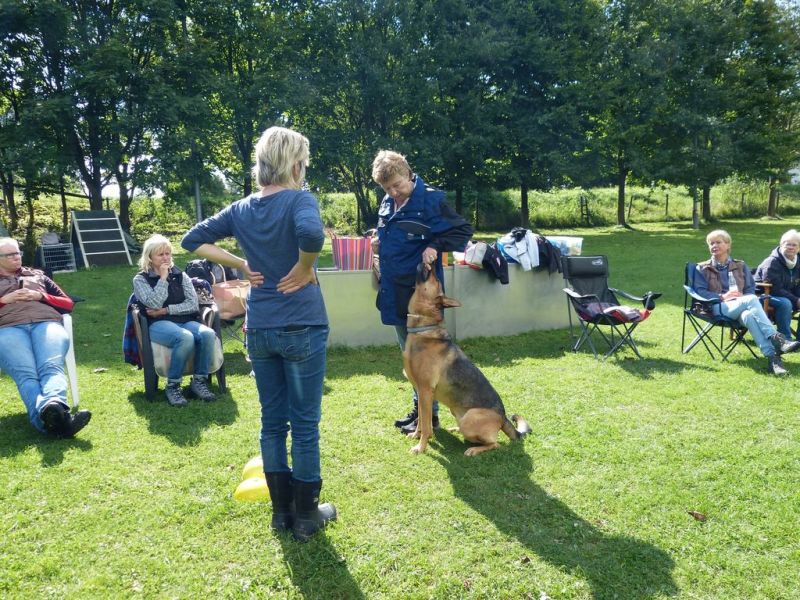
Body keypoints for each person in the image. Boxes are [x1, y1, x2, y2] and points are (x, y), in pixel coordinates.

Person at [181, 126, 335, 542]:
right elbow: (311, 234)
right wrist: (304, 267)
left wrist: (240, 263)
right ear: (294, 164)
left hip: (261, 327)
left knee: (272, 422)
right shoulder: (300, 199)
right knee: (305, 425)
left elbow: (192, 240)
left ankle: (281, 513)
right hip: (302, 325)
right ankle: (307, 516)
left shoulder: (241, 208)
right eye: (303, 162)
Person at [371, 150, 473, 433]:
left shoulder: (431, 200)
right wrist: (379, 241)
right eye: (387, 189)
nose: (394, 193)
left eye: (397, 185)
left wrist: (434, 245)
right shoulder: (388, 203)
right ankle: (421, 412)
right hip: (393, 291)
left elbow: (462, 231)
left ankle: (431, 417)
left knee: (424, 359)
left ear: (408, 173)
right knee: (409, 358)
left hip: (420, 295)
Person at [0, 237, 91, 437]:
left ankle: (51, 416)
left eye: (18, 252)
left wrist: (41, 296)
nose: (17, 257)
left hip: (46, 324)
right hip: (8, 328)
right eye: (10, 254)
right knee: (27, 373)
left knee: (50, 366)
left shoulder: (38, 275)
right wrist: (4, 300)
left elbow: (68, 304)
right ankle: (59, 420)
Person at [694, 229, 800, 375]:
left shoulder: (740, 265)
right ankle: (777, 338)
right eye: (711, 243)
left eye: (718, 242)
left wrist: (742, 297)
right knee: (751, 299)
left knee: (749, 316)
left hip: (740, 306)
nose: (714, 245)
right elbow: (699, 292)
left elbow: (750, 289)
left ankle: (773, 359)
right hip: (715, 307)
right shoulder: (702, 267)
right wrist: (723, 296)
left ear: (728, 245)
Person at [132, 235, 217, 407]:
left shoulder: (181, 275)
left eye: (168, 253)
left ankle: (199, 382)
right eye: (160, 254)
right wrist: (163, 279)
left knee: (208, 334)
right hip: (157, 324)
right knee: (184, 337)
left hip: (183, 319)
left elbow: (192, 304)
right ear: (150, 257)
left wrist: (166, 310)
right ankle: (173, 386)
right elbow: (153, 303)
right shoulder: (140, 279)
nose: (165, 258)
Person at [754, 229, 800, 340]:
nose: (791, 247)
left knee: (787, 301)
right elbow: (775, 289)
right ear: (781, 245)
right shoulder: (772, 262)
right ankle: (785, 340)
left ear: (799, 248)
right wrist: (796, 300)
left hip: (787, 296)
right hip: (762, 296)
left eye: (794, 245)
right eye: (787, 244)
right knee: (785, 303)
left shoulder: (798, 262)